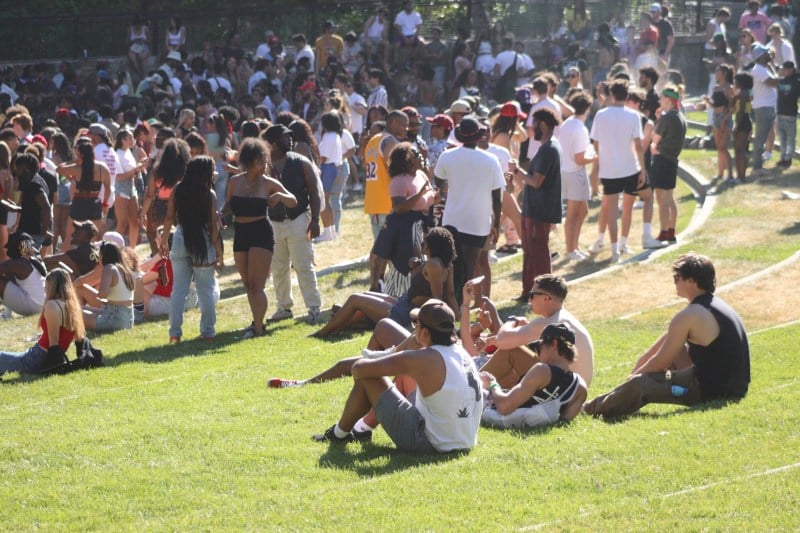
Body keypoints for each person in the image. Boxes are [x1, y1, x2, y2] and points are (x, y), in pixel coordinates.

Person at [584, 253, 750, 418]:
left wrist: (634, 380)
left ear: (691, 281)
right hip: (733, 384)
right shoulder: (714, 305)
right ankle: (619, 395)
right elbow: (663, 345)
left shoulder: (690, 315)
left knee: (642, 384)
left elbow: (658, 364)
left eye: (677, 277)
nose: (675, 282)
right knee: (666, 356)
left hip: (713, 391)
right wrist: (636, 371)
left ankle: (588, 410)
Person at [312, 298, 483, 454]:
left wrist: (403, 354)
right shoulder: (461, 352)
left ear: (425, 333)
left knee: (369, 376)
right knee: (404, 378)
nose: (414, 327)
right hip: (465, 441)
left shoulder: (422, 358)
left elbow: (359, 369)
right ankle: (363, 427)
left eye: (416, 324)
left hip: (432, 444)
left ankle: (339, 434)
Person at [313, 226, 457, 337]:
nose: (422, 242)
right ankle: (340, 324)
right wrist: (455, 319)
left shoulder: (432, 265)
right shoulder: (446, 265)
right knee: (364, 295)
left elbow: (437, 299)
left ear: (433, 245)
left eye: (425, 240)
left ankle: (322, 333)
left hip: (404, 313)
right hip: (404, 303)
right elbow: (449, 295)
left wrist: (438, 323)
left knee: (355, 299)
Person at [225, 138, 297, 338]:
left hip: (260, 233)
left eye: (265, 161)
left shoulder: (268, 183)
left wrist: (280, 197)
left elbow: (293, 200)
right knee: (248, 284)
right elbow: (228, 205)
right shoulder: (234, 182)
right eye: (260, 161)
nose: (264, 165)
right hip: (240, 233)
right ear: (248, 162)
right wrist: (219, 214)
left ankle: (257, 327)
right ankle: (256, 321)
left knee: (257, 285)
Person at [434, 116, 503, 303]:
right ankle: (462, 306)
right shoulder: (491, 159)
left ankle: (451, 304)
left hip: (452, 220)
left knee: (451, 266)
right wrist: (496, 225)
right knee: (470, 267)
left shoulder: (447, 156)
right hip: (478, 222)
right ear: (477, 136)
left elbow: (438, 181)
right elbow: (497, 199)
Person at [263, 124, 323, 325]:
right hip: (273, 222)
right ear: (272, 142)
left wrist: (315, 219)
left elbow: (314, 191)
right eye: (284, 137)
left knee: (303, 265)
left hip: (299, 219)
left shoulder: (301, 162)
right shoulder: (265, 165)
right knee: (278, 268)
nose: (290, 140)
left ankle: (314, 307)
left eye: (290, 136)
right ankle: (284, 307)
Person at [161, 156, 223, 344]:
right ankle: (208, 332)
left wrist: (164, 241)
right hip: (201, 241)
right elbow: (212, 228)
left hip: (180, 238)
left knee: (179, 290)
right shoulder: (208, 194)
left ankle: (174, 333)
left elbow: (169, 217)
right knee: (206, 289)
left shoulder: (178, 190)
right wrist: (220, 252)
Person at [480, 323, 588, 429]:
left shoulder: (542, 370)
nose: (538, 353)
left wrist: (492, 384)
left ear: (554, 344)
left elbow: (505, 407)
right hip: (528, 420)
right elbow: (561, 424)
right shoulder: (580, 388)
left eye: (540, 346)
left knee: (475, 384)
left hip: (496, 413)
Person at [369, 142, 438, 296]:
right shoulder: (398, 181)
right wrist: (419, 194)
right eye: (416, 154)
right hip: (405, 229)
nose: (421, 156)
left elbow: (430, 197)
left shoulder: (420, 174)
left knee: (424, 263)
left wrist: (438, 195)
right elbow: (399, 207)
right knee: (407, 266)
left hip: (422, 224)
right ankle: (399, 297)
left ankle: (420, 294)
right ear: (407, 159)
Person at [588, 79, 645, 263]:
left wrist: (602, 157)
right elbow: (638, 145)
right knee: (627, 208)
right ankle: (623, 243)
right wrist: (643, 169)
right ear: (626, 95)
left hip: (610, 169)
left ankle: (615, 251)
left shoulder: (601, 115)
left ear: (611, 94)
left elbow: (595, 143)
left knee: (611, 211)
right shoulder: (633, 116)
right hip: (630, 167)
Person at [0, 268, 85, 376]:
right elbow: (76, 336)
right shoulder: (72, 306)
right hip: (39, 354)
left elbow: (53, 341)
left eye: (46, 284)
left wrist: (53, 367)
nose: (44, 288)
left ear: (52, 286)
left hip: (37, 357)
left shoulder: (52, 305)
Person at [556, 91, 595, 262]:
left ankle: (574, 246)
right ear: (587, 108)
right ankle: (571, 249)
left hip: (566, 171)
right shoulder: (580, 128)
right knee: (573, 214)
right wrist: (595, 157)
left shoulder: (567, 124)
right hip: (574, 173)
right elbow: (580, 159)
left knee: (582, 211)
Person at [650, 85, 687, 244]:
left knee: (662, 199)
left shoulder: (667, 118)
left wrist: (658, 121)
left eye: (661, 98)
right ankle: (671, 231)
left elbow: (654, 139)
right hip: (672, 160)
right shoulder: (679, 117)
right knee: (670, 198)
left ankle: (663, 233)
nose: (659, 100)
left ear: (668, 99)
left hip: (662, 160)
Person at [363, 110, 408, 239]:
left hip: (374, 202)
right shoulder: (390, 141)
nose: (406, 129)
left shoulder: (373, 140)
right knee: (395, 252)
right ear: (394, 122)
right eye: (404, 125)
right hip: (388, 203)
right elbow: (398, 170)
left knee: (380, 253)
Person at [142, 138, 190, 255]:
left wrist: (142, 213)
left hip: (158, 209)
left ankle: (159, 264)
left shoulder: (156, 171)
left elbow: (150, 195)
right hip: (180, 207)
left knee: (156, 241)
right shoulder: (185, 171)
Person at [57, 138, 111, 241]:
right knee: (93, 240)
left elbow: (59, 168)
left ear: (80, 155)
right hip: (94, 204)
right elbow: (108, 188)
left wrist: (74, 161)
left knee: (69, 239)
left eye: (77, 155)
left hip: (79, 204)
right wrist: (105, 204)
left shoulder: (77, 168)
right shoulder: (103, 168)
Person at [78, 241, 134, 331]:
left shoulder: (109, 268)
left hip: (115, 318)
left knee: (72, 311)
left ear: (103, 255)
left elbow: (102, 295)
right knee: (79, 308)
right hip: (126, 317)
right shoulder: (125, 268)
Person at [113, 128, 147, 247]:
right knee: (122, 223)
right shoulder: (118, 154)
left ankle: (133, 250)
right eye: (130, 138)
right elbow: (118, 177)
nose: (133, 140)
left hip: (132, 186)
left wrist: (139, 166)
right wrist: (136, 169)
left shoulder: (128, 152)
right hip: (122, 188)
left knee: (134, 221)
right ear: (123, 140)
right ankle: (107, 246)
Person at [0, 232, 46, 317]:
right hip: (40, 306)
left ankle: (6, 315)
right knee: (9, 276)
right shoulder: (35, 260)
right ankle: (6, 314)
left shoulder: (19, 264)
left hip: (33, 306)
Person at [749, 44, 779, 177]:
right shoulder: (759, 70)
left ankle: (757, 166)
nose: (769, 55)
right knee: (760, 139)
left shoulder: (764, 68)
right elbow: (773, 83)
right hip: (763, 108)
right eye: (766, 53)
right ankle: (757, 168)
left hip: (767, 107)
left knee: (761, 137)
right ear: (761, 57)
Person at [12, 153, 51, 249]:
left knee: (27, 261)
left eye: (18, 169)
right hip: (28, 232)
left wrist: (43, 233)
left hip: (31, 235)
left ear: (26, 169)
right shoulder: (37, 180)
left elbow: (46, 207)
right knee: (25, 260)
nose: (16, 172)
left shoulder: (34, 184)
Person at [315, 111, 343, 243]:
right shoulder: (336, 135)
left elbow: (323, 157)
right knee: (327, 201)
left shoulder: (327, 136)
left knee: (322, 201)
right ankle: (330, 232)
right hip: (332, 168)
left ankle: (327, 232)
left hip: (327, 168)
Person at [775, 61, 800, 168]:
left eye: (784, 69)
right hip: (780, 112)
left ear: (790, 70)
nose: (782, 71)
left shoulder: (796, 82)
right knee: (782, 138)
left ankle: (788, 158)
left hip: (790, 114)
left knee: (790, 138)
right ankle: (782, 157)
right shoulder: (781, 81)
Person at [128, 15, 150, 82]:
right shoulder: (130, 29)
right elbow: (127, 41)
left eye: (140, 25)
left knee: (141, 58)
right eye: (137, 25)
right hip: (133, 47)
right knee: (133, 59)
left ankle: (145, 77)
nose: (138, 26)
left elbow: (149, 41)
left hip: (143, 46)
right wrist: (134, 41)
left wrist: (143, 40)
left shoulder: (145, 29)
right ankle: (140, 74)